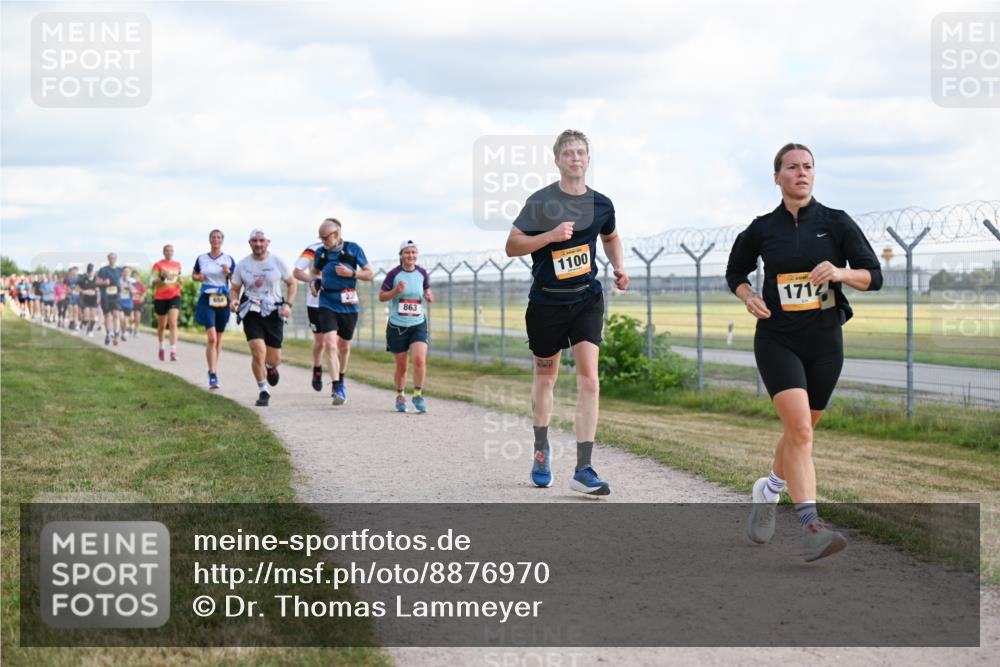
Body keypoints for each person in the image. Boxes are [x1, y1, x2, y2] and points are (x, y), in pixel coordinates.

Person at [726, 142, 883, 562]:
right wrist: (748, 296)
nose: (801, 173)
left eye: (808, 167)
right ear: (777, 177)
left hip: (825, 342)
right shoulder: (763, 228)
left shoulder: (836, 222)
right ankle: (812, 527)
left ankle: (769, 490)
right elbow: (735, 271)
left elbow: (875, 276)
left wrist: (841, 272)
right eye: (793, 167)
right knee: (799, 432)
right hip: (777, 339)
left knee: (802, 432)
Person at [504, 129, 629, 496]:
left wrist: (619, 266)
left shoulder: (602, 204)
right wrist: (549, 236)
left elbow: (610, 236)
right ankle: (541, 450)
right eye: (569, 153)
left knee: (589, 379)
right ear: (557, 160)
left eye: (581, 152)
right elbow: (512, 245)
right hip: (546, 305)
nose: (575, 158)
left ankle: (584, 468)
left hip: (586, 300)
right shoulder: (541, 202)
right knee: (546, 379)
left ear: (588, 159)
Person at [230, 228, 296, 407]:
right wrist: (234, 301)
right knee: (258, 351)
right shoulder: (242, 264)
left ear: (268, 242)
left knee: (274, 358)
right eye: (254, 241)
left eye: (261, 240)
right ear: (250, 243)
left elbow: (292, 283)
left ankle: (270, 367)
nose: (258, 244)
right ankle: (263, 390)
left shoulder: (277, 261)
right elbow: (234, 289)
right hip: (251, 311)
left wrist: (288, 305)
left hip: (274, 311)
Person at [310, 218, 373, 406]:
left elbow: (369, 274)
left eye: (325, 237)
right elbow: (314, 272)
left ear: (336, 234)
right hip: (327, 301)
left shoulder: (353, 249)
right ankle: (337, 386)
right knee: (330, 344)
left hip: (348, 303)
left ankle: (341, 378)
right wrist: (315, 282)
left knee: (344, 347)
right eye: (321, 238)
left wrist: (352, 274)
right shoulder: (321, 253)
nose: (323, 241)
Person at [379, 240, 434, 413]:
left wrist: (428, 295)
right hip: (397, 326)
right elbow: (381, 296)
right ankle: (400, 395)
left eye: (413, 252)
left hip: (418, 323)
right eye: (407, 252)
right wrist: (395, 291)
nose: (411, 255)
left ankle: (418, 394)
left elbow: (426, 289)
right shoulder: (393, 274)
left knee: (419, 359)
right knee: (402, 366)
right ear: (401, 255)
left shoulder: (422, 273)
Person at [192, 229, 236, 390]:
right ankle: (212, 373)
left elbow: (236, 280)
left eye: (218, 237)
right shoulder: (202, 258)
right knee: (212, 338)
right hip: (207, 298)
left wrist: (228, 272)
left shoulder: (228, 259)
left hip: (223, 299)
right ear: (210, 240)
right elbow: (194, 275)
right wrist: (198, 277)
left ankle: (213, 369)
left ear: (222, 240)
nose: (216, 240)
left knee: (218, 338)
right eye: (213, 237)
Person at [292, 238, 326, 392]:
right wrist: (313, 281)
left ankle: (338, 382)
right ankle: (317, 368)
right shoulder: (313, 249)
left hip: (337, 302)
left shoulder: (345, 248)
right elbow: (297, 272)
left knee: (335, 343)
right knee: (321, 343)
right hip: (315, 303)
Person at [151, 245, 183, 361]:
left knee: (173, 323)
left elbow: (179, 280)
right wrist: (162, 277)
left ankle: (173, 351)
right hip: (160, 297)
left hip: (174, 295)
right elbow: (153, 282)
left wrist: (181, 281)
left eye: (171, 251)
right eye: (167, 251)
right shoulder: (158, 265)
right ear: (163, 252)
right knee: (162, 326)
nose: (169, 252)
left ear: (173, 252)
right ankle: (161, 347)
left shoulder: (177, 265)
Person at [96, 253, 125, 345]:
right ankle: (108, 334)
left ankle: (116, 334)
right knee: (107, 316)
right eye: (110, 258)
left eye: (114, 258)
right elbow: (97, 281)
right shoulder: (103, 270)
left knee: (116, 314)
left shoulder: (119, 270)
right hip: (105, 296)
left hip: (116, 296)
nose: (112, 259)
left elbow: (122, 281)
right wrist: (104, 282)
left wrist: (122, 286)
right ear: (108, 259)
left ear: (116, 259)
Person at [78, 264, 99, 336]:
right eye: (89, 272)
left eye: (91, 271)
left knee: (93, 317)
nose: (90, 273)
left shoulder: (97, 279)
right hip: (85, 299)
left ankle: (90, 331)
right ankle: (83, 323)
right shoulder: (83, 279)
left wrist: (98, 297)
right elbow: (77, 287)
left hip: (94, 300)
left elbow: (99, 289)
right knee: (86, 318)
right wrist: (83, 291)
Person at [127, 270, 147, 337]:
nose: (135, 277)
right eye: (133, 276)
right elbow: (125, 292)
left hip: (138, 302)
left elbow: (144, 292)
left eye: (136, 276)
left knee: (137, 318)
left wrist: (142, 297)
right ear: (131, 277)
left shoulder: (141, 284)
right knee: (131, 317)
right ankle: (130, 328)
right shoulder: (128, 284)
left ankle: (136, 331)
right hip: (130, 302)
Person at [118, 267, 134, 339]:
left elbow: (134, 292)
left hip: (128, 303)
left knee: (125, 320)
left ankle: (123, 333)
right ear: (122, 272)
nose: (126, 273)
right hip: (119, 302)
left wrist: (130, 288)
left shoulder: (132, 282)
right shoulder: (118, 281)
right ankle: (122, 332)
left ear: (129, 273)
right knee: (121, 319)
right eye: (124, 271)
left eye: (127, 272)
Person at [65, 266, 81, 331]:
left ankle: (76, 324)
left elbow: (80, 287)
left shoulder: (79, 278)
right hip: (70, 296)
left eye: (76, 271)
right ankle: (71, 323)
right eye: (73, 271)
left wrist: (78, 289)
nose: (74, 272)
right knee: (71, 309)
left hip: (77, 296)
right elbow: (67, 287)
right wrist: (69, 290)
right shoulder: (69, 279)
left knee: (76, 309)